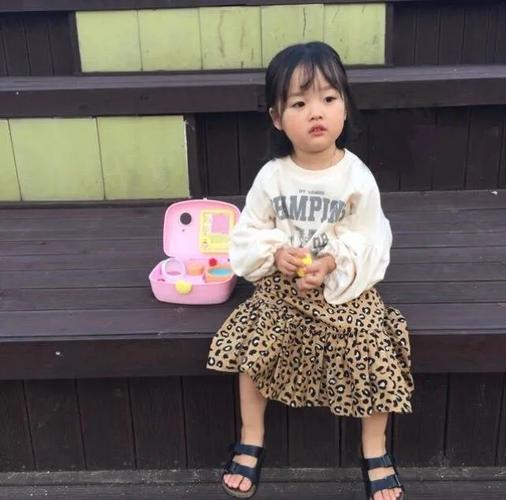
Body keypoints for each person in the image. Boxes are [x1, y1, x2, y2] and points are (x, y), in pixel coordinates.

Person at [206, 41, 414, 500]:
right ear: (277, 118)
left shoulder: (356, 176)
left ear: (345, 106)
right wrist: (276, 252)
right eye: (299, 103)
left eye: (328, 98)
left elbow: (370, 237)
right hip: (283, 290)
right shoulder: (273, 176)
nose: (315, 112)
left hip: (343, 288)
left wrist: (332, 261)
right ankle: (251, 434)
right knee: (256, 344)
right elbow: (249, 231)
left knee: (373, 344)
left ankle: (375, 446)